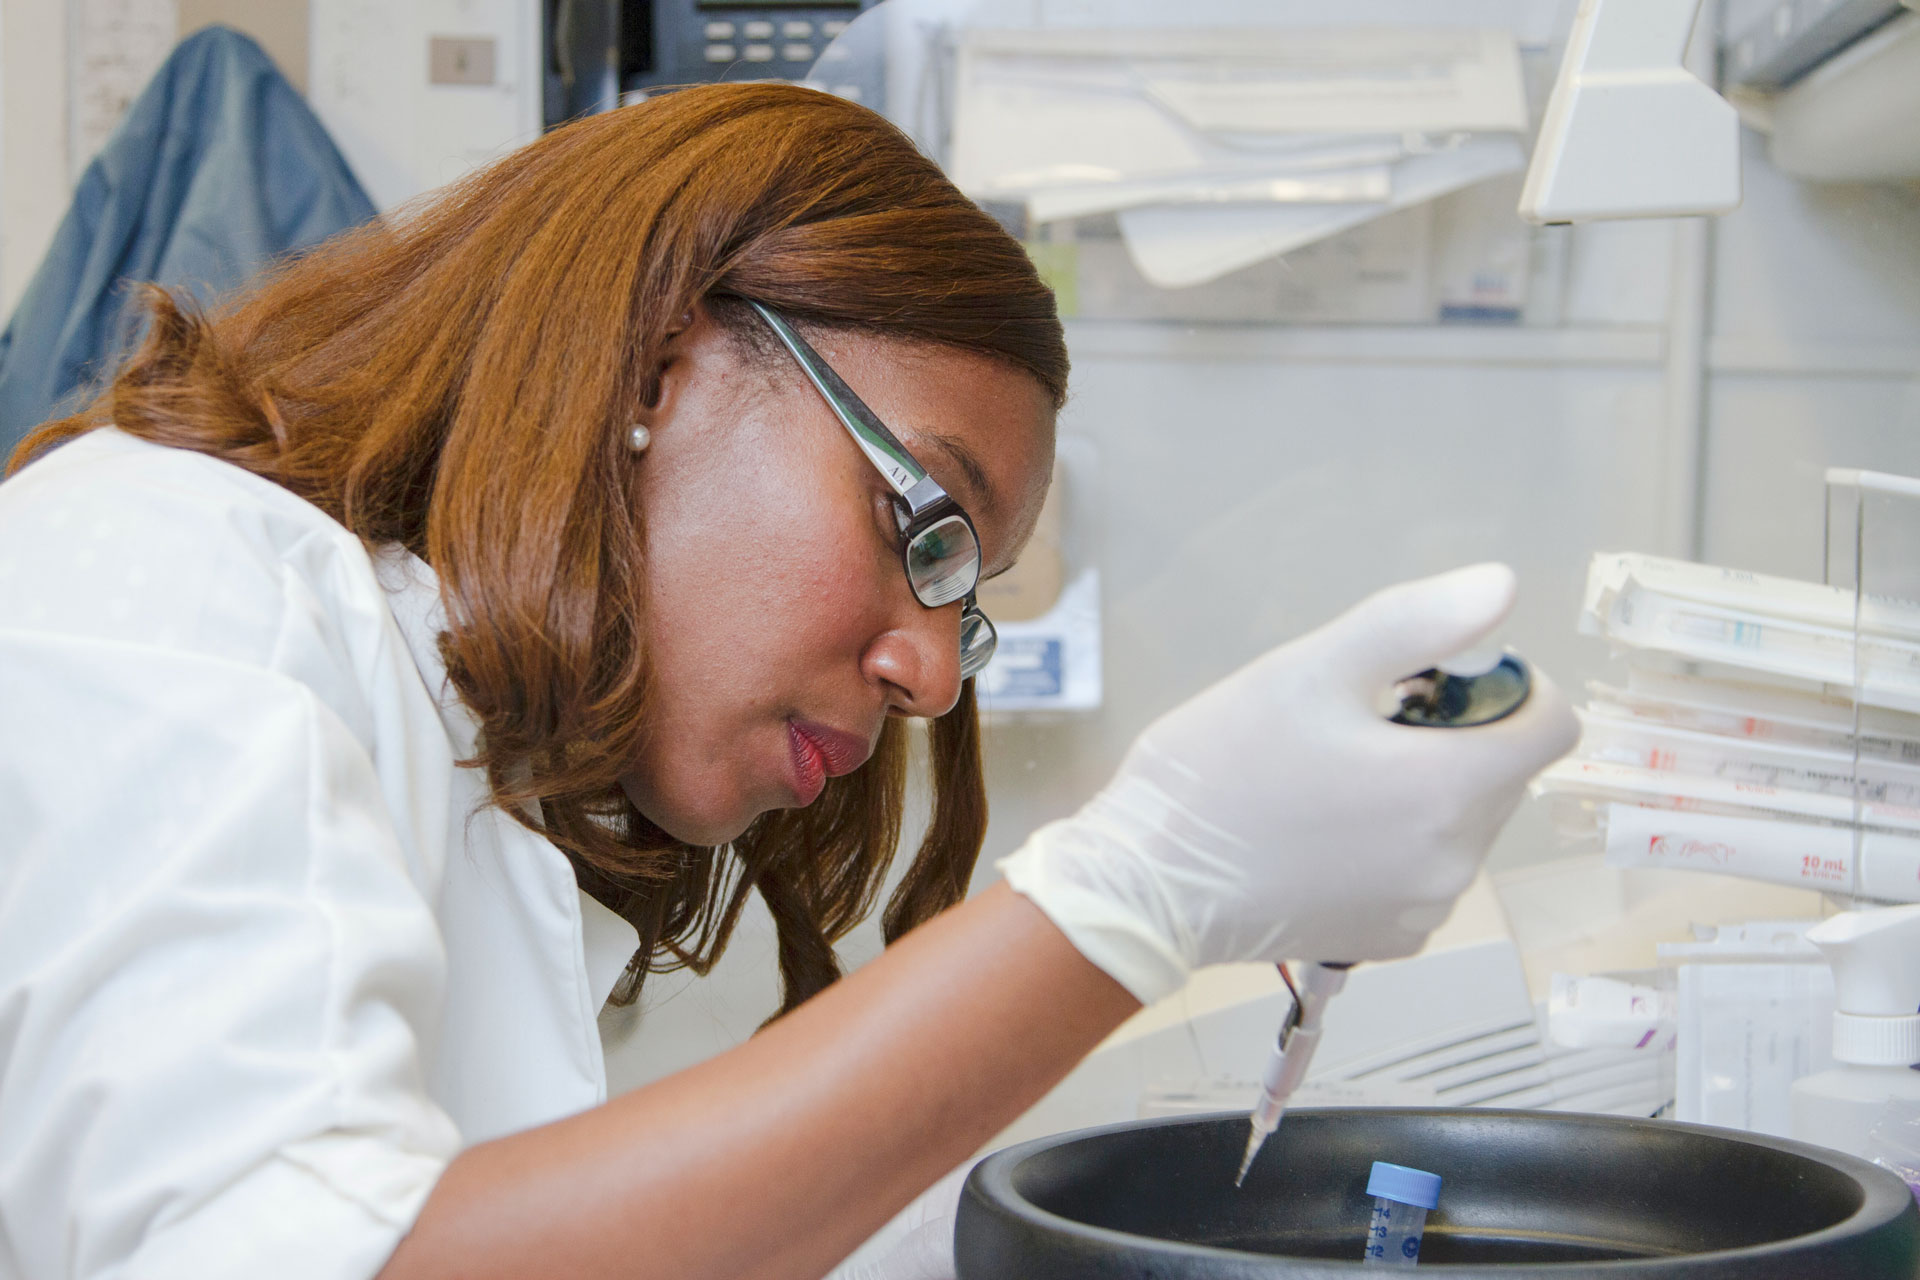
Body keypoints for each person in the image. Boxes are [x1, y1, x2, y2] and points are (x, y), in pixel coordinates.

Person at [0, 83, 1577, 1280]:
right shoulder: (154, 578)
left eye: (972, 600)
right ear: (660, 365)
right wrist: (1137, 893)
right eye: (931, 530)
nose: (934, 675)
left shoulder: (460, 750)